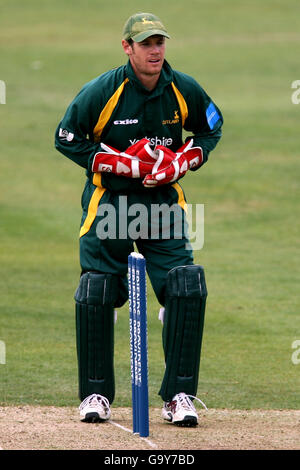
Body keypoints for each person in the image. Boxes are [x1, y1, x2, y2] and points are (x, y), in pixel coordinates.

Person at [55, 12, 223, 427]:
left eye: (159, 42)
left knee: (186, 287)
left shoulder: (183, 88)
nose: (155, 50)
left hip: (162, 207)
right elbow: (67, 137)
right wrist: (123, 165)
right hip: (109, 204)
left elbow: (210, 129)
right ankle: (95, 394)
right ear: (127, 48)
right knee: (96, 292)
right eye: (145, 43)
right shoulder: (102, 91)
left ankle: (178, 396)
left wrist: (181, 160)